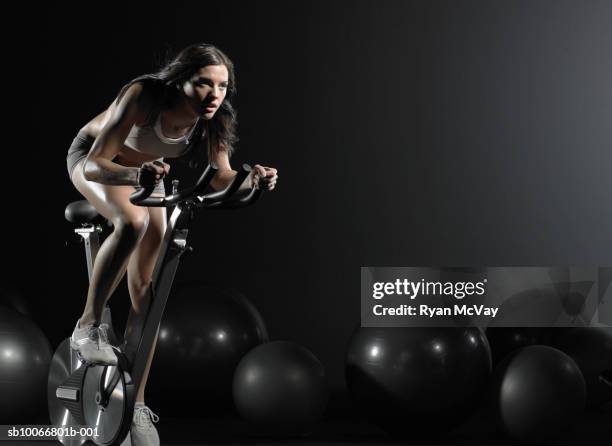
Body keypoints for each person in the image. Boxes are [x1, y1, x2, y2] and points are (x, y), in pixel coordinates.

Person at [65, 43, 278, 446]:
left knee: (148, 294)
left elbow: (221, 176)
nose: (214, 95)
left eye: (222, 86)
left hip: (148, 176)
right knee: (132, 220)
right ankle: (88, 325)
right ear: (180, 80)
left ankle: (135, 403)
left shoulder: (215, 117)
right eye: (203, 83)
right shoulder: (144, 96)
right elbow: (96, 162)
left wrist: (254, 179)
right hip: (98, 164)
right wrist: (137, 177)